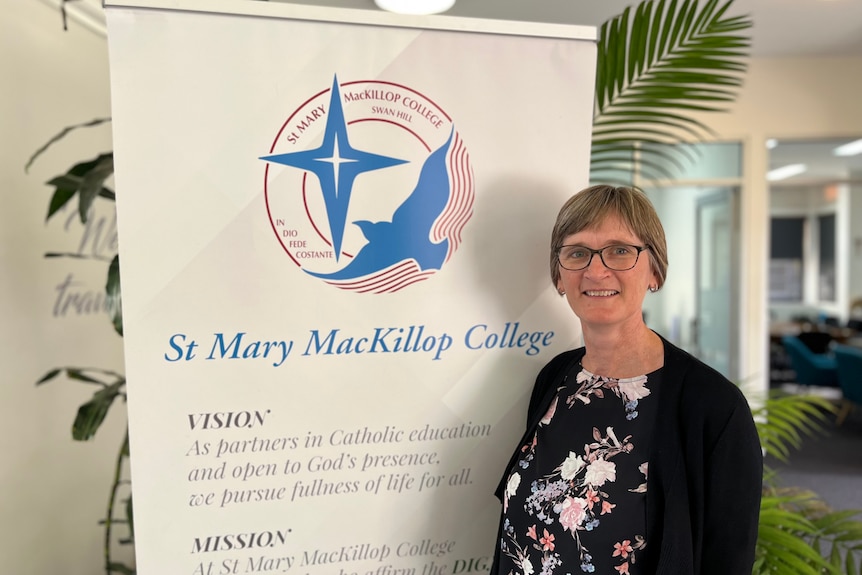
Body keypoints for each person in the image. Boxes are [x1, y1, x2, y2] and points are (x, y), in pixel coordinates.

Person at [491, 185, 762, 575]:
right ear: (559, 275)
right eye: (577, 252)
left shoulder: (715, 407)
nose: (596, 270)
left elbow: (728, 561)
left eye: (620, 250)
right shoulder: (555, 379)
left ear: (654, 269)